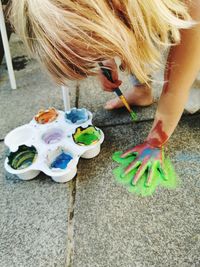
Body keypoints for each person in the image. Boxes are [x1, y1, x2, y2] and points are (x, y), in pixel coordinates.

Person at [8, 0, 200, 185]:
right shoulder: (122, 10)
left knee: (187, 78)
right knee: (134, 41)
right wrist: (104, 60)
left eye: (97, 52)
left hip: (190, 22)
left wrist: (154, 143)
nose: (100, 58)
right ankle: (142, 92)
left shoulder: (192, 8)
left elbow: (175, 90)